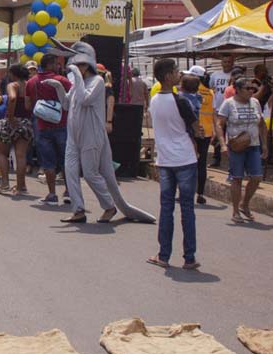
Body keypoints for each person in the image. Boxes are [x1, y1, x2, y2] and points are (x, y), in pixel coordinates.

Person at [45, 43, 156, 225]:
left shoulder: (97, 82)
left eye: (79, 65)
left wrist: (77, 80)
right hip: (74, 135)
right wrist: (58, 87)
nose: (75, 69)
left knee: (90, 174)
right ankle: (78, 210)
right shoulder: (75, 84)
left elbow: (85, 99)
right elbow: (66, 104)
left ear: (87, 64)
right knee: (70, 172)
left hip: (92, 134)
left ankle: (109, 206)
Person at [148, 58, 200, 270]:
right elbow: (195, 128)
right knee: (187, 209)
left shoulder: (154, 101)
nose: (180, 74)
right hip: (185, 159)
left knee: (166, 208)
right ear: (168, 76)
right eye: (177, 71)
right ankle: (189, 257)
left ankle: (163, 255)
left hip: (165, 160)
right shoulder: (181, 102)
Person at [218, 76, 268, 224]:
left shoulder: (255, 103)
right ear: (238, 90)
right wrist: (222, 144)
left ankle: (244, 204)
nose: (251, 91)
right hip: (236, 146)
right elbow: (220, 124)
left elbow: (262, 124)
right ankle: (235, 211)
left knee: (256, 177)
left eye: (253, 88)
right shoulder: (228, 104)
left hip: (253, 145)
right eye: (247, 88)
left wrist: (264, 145)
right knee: (237, 178)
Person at [26, 53, 71, 206]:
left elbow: (27, 105)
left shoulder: (31, 82)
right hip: (62, 124)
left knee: (47, 162)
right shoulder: (63, 81)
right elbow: (73, 100)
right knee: (67, 160)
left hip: (42, 126)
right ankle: (69, 192)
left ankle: (52, 194)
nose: (59, 66)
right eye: (57, 64)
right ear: (52, 64)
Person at [179, 66, 216, 205]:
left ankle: (185, 192)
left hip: (192, 130)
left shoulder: (188, 91)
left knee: (187, 162)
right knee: (202, 163)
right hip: (206, 131)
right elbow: (213, 112)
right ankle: (200, 193)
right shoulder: (210, 92)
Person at [0, 64, 32, 195]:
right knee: (21, 155)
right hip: (26, 121)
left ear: (13, 74)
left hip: (12, 121)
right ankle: (21, 186)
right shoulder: (29, 85)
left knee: (2, 153)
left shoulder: (13, 85)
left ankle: (5, 183)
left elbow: (12, 98)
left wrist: (10, 116)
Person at [209, 56, 236, 166]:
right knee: (219, 133)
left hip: (232, 109)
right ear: (221, 62)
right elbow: (211, 88)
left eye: (229, 62)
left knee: (232, 134)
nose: (227, 64)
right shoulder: (215, 75)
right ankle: (216, 158)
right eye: (225, 61)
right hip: (219, 108)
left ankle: (233, 158)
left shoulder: (234, 75)